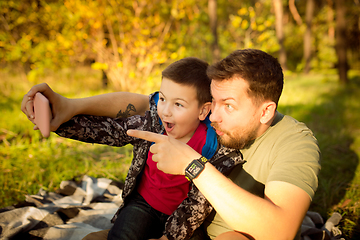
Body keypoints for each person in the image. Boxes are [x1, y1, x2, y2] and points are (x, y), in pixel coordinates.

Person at [22, 49, 321, 240]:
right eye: (212, 103)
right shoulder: (207, 120)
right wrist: (68, 107)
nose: (213, 116)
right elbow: (139, 104)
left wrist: (193, 165)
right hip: (158, 215)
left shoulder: (294, 143)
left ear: (265, 111)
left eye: (227, 105)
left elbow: (279, 231)